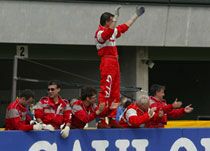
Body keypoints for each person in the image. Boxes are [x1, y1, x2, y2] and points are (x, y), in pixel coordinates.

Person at [95, 5, 145, 128]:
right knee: (106, 91)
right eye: (112, 21)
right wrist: (116, 17)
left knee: (115, 93)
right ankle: (101, 119)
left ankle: (111, 118)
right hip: (107, 62)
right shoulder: (100, 33)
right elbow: (108, 33)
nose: (114, 23)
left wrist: (136, 15)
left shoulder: (112, 31)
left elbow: (124, 27)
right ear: (107, 22)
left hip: (115, 62)